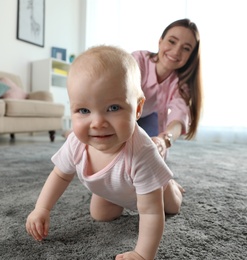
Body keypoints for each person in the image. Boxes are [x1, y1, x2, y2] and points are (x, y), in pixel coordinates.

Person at [26, 45, 184, 260]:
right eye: (84, 111)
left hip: (152, 191)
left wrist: (142, 254)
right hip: (114, 190)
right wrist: (42, 208)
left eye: (113, 108)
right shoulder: (76, 143)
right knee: (100, 215)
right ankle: (117, 195)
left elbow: (150, 212)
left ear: (137, 109)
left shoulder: (142, 153)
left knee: (171, 208)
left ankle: (170, 184)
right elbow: (60, 175)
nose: (98, 123)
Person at [132, 18, 202, 158]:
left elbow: (179, 115)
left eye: (186, 48)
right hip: (122, 113)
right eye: (172, 41)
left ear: (191, 56)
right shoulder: (137, 60)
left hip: (148, 115)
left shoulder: (180, 83)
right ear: (160, 41)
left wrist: (164, 140)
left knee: (155, 153)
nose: (176, 52)